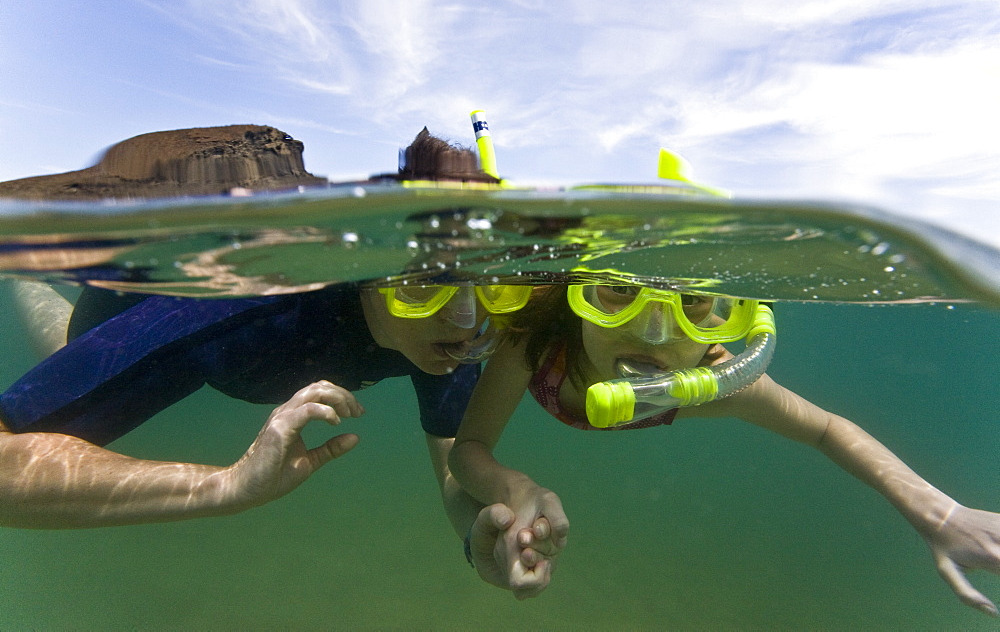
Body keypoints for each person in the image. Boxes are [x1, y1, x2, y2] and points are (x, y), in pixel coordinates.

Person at [0, 129, 559, 596]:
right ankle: (29, 278)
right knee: (66, 358)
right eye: (423, 290)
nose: (466, 322)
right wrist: (225, 486)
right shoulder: (242, 310)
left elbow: (452, 463)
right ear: (364, 268)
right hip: (135, 299)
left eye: (489, 289)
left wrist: (481, 536)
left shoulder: (444, 337)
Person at [449, 282, 1000, 616]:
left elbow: (826, 428)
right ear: (582, 295)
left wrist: (939, 514)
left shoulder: (721, 378)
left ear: (717, 316)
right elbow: (467, 447)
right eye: (618, 293)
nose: (654, 333)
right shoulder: (540, 337)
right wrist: (518, 488)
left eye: (690, 302)